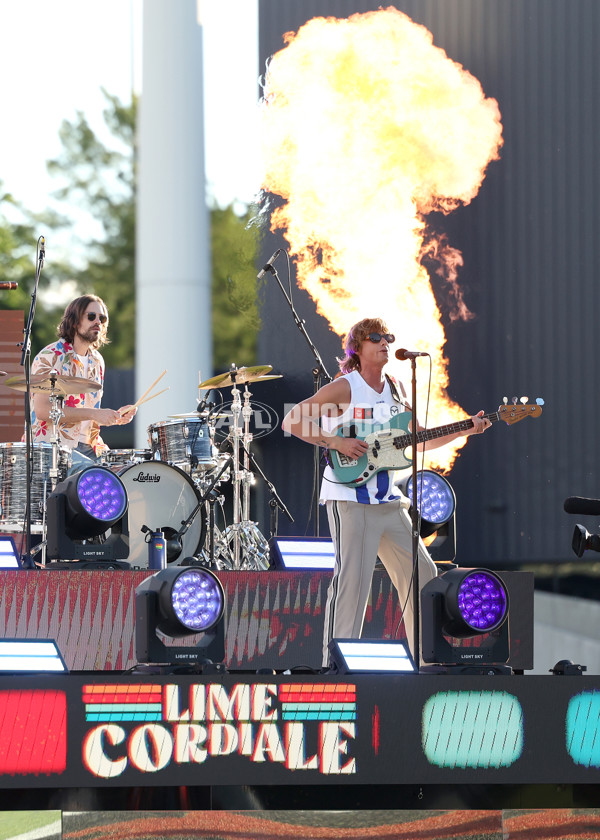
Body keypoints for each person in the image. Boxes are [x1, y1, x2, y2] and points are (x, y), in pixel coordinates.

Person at [281, 316, 491, 669]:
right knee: (353, 584)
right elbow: (293, 420)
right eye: (376, 338)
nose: (385, 343)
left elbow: (419, 437)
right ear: (358, 349)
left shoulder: (396, 387)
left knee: (423, 577)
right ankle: (334, 666)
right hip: (350, 498)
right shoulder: (345, 387)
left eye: (388, 337)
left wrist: (465, 431)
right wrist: (336, 441)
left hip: (389, 501)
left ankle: (428, 659)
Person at [27, 294, 136, 470]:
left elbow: (86, 416)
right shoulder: (50, 356)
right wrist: (94, 413)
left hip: (90, 447)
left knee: (130, 472)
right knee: (96, 476)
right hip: (54, 449)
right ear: (75, 321)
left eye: (102, 318)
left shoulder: (97, 361)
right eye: (91, 316)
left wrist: (114, 417)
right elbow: (42, 411)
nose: (98, 322)